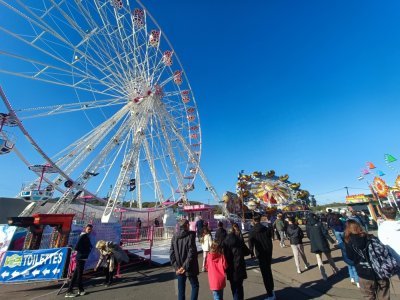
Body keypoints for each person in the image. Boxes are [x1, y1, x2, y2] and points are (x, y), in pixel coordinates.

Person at [345, 220, 390, 299]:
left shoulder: (349, 242)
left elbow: (350, 257)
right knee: (384, 296)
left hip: (364, 273)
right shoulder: (371, 237)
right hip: (380, 271)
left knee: (368, 296)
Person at [170, 219, 199, 300]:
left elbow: (171, 253)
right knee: (195, 285)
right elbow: (191, 253)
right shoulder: (190, 236)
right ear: (186, 225)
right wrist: (184, 267)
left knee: (181, 289)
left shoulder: (174, 237)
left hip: (179, 267)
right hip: (189, 267)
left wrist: (177, 267)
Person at [248, 214, 275, 300]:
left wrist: (251, 252)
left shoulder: (252, 231)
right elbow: (271, 235)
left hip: (260, 253)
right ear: (260, 219)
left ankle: (270, 294)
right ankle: (272, 290)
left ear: (253, 220)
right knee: (268, 270)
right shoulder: (265, 228)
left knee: (264, 273)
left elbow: (250, 242)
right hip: (268, 251)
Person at [306, 214, 339, 281]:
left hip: (314, 244)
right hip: (323, 243)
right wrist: (332, 241)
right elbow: (325, 233)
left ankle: (324, 275)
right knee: (329, 257)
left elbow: (308, 235)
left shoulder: (308, 226)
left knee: (319, 259)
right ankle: (334, 269)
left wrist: (313, 240)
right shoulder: (319, 224)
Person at [223, 223, 250, 300]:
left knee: (234, 287)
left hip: (231, 268)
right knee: (240, 286)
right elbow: (247, 252)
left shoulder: (226, 242)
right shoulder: (239, 240)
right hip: (240, 266)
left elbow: (225, 256)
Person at [65, 224, 93, 298]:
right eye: (88, 229)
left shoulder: (86, 236)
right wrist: (83, 252)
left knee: (76, 275)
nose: (90, 230)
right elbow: (77, 246)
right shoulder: (83, 236)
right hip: (81, 257)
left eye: (90, 229)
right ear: (85, 229)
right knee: (79, 275)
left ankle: (74, 290)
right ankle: (77, 290)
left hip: (82, 257)